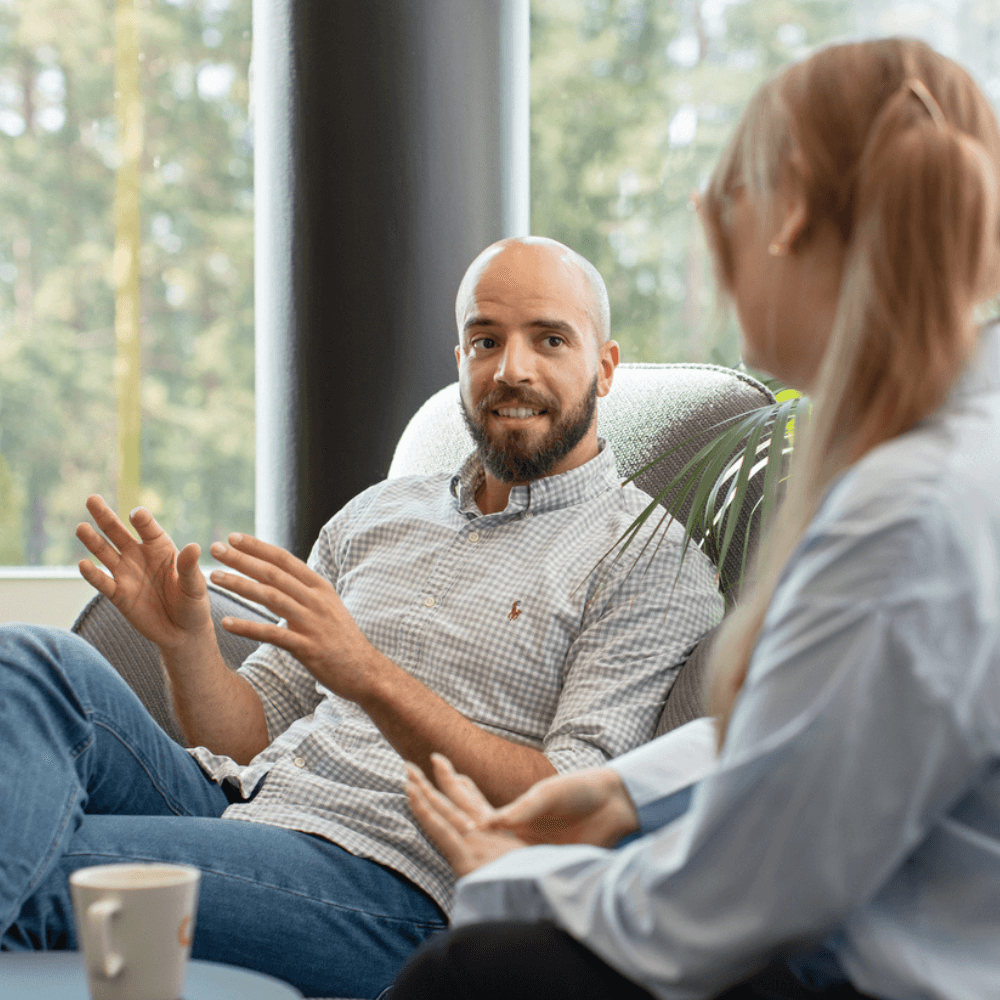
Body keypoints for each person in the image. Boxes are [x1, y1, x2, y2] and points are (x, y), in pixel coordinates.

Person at [392, 38, 1000, 1000]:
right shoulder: (942, 458)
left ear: (789, 213)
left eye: (724, 196)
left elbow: (733, 897)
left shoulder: (915, 513)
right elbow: (838, 723)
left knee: (475, 973)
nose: (708, 233)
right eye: (484, 340)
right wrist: (624, 793)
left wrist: (516, 882)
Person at [0, 236, 723, 999]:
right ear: (460, 360)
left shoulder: (648, 558)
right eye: (486, 341)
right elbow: (248, 733)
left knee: (57, 868)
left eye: (549, 340)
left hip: (394, 883)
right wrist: (186, 646)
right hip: (247, 804)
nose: (512, 368)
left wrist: (370, 675)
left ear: (604, 367)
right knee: (31, 663)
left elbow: (565, 809)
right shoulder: (378, 513)